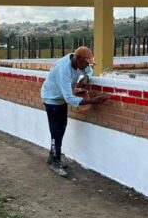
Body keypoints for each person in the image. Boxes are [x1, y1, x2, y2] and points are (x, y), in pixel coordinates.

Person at [40, 46, 108, 177]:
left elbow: (89, 71)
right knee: (56, 130)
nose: (86, 66)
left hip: (60, 99)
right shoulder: (63, 69)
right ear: (78, 59)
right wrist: (93, 101)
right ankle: (55, 161)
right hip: (52, 99)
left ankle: (53, 157)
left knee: (61, 127)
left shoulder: (79, 63)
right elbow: (69, 98)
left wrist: (87, 77)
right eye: (85, 63)